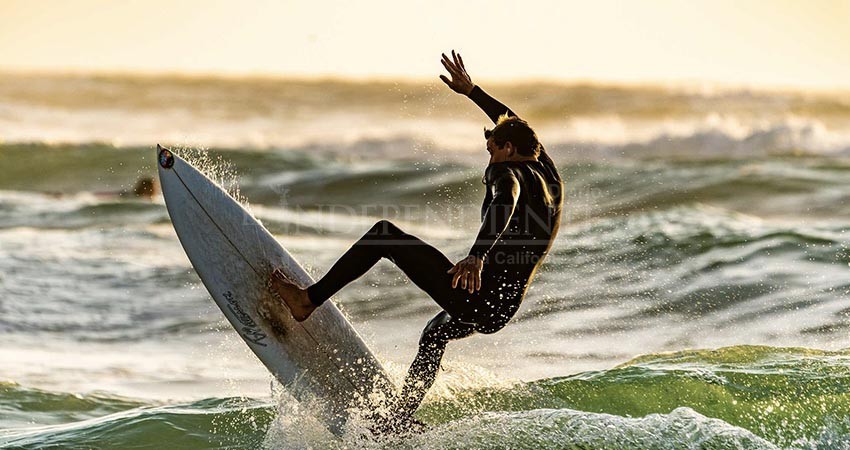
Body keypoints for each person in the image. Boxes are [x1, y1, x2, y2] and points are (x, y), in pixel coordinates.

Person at [267, 50, 563, 430]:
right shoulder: (547, 173)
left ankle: (306, 300)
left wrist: (476, 256)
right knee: (435, 334)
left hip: (482, 294)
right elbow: (514, 122)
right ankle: (400, 420)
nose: (488, 158)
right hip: (502, 308)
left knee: (383, 237)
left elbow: (505, 201)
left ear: (507, 150)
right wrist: (472, 92)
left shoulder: (505, 172)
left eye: (492, 149)